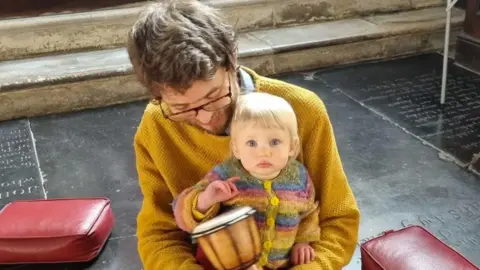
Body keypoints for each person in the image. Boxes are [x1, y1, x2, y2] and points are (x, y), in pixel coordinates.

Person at [128, 1, 360, 269]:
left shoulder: (302, 110)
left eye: (214, 97)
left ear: (232, 61)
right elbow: (159, 233)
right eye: (182, 109)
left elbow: (338, 219)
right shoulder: (157, 124)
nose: (205, 119)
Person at [172, 92, 321, 269]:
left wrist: (303, 242)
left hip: (281, 264)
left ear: (292, 146)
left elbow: (308, 213)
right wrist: (205, 199)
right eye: (251, 143)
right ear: (236, 148)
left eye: (274, 142)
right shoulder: (225, 175)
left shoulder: (300, 177)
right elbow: (182, 216)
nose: (263, 152)